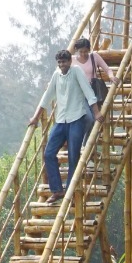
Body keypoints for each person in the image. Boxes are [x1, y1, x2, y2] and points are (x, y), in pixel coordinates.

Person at [32, 50, 99, 204]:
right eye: (59, 62)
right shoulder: (56, 75)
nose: (62, 65)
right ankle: (57, 190)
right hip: (61, 120)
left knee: (73, 157)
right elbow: (46, 97)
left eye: (64, 62)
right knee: (49, 153)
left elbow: (88, 91)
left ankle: (70, 192)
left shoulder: (76, 71)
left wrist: (96, 112)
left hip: (77, 118)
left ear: (70, 61)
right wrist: (35, 118)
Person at [73, 37, 112, 113]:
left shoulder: (94, 56)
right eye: (81, 52)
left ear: (89, 50)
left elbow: (107, 69)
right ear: (76, 50)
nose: (83, 54)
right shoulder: (72, 60)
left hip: (93, 91)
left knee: (94, 117)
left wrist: (111, 76)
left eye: (86, 51)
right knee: (87, 117)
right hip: (78, 92)